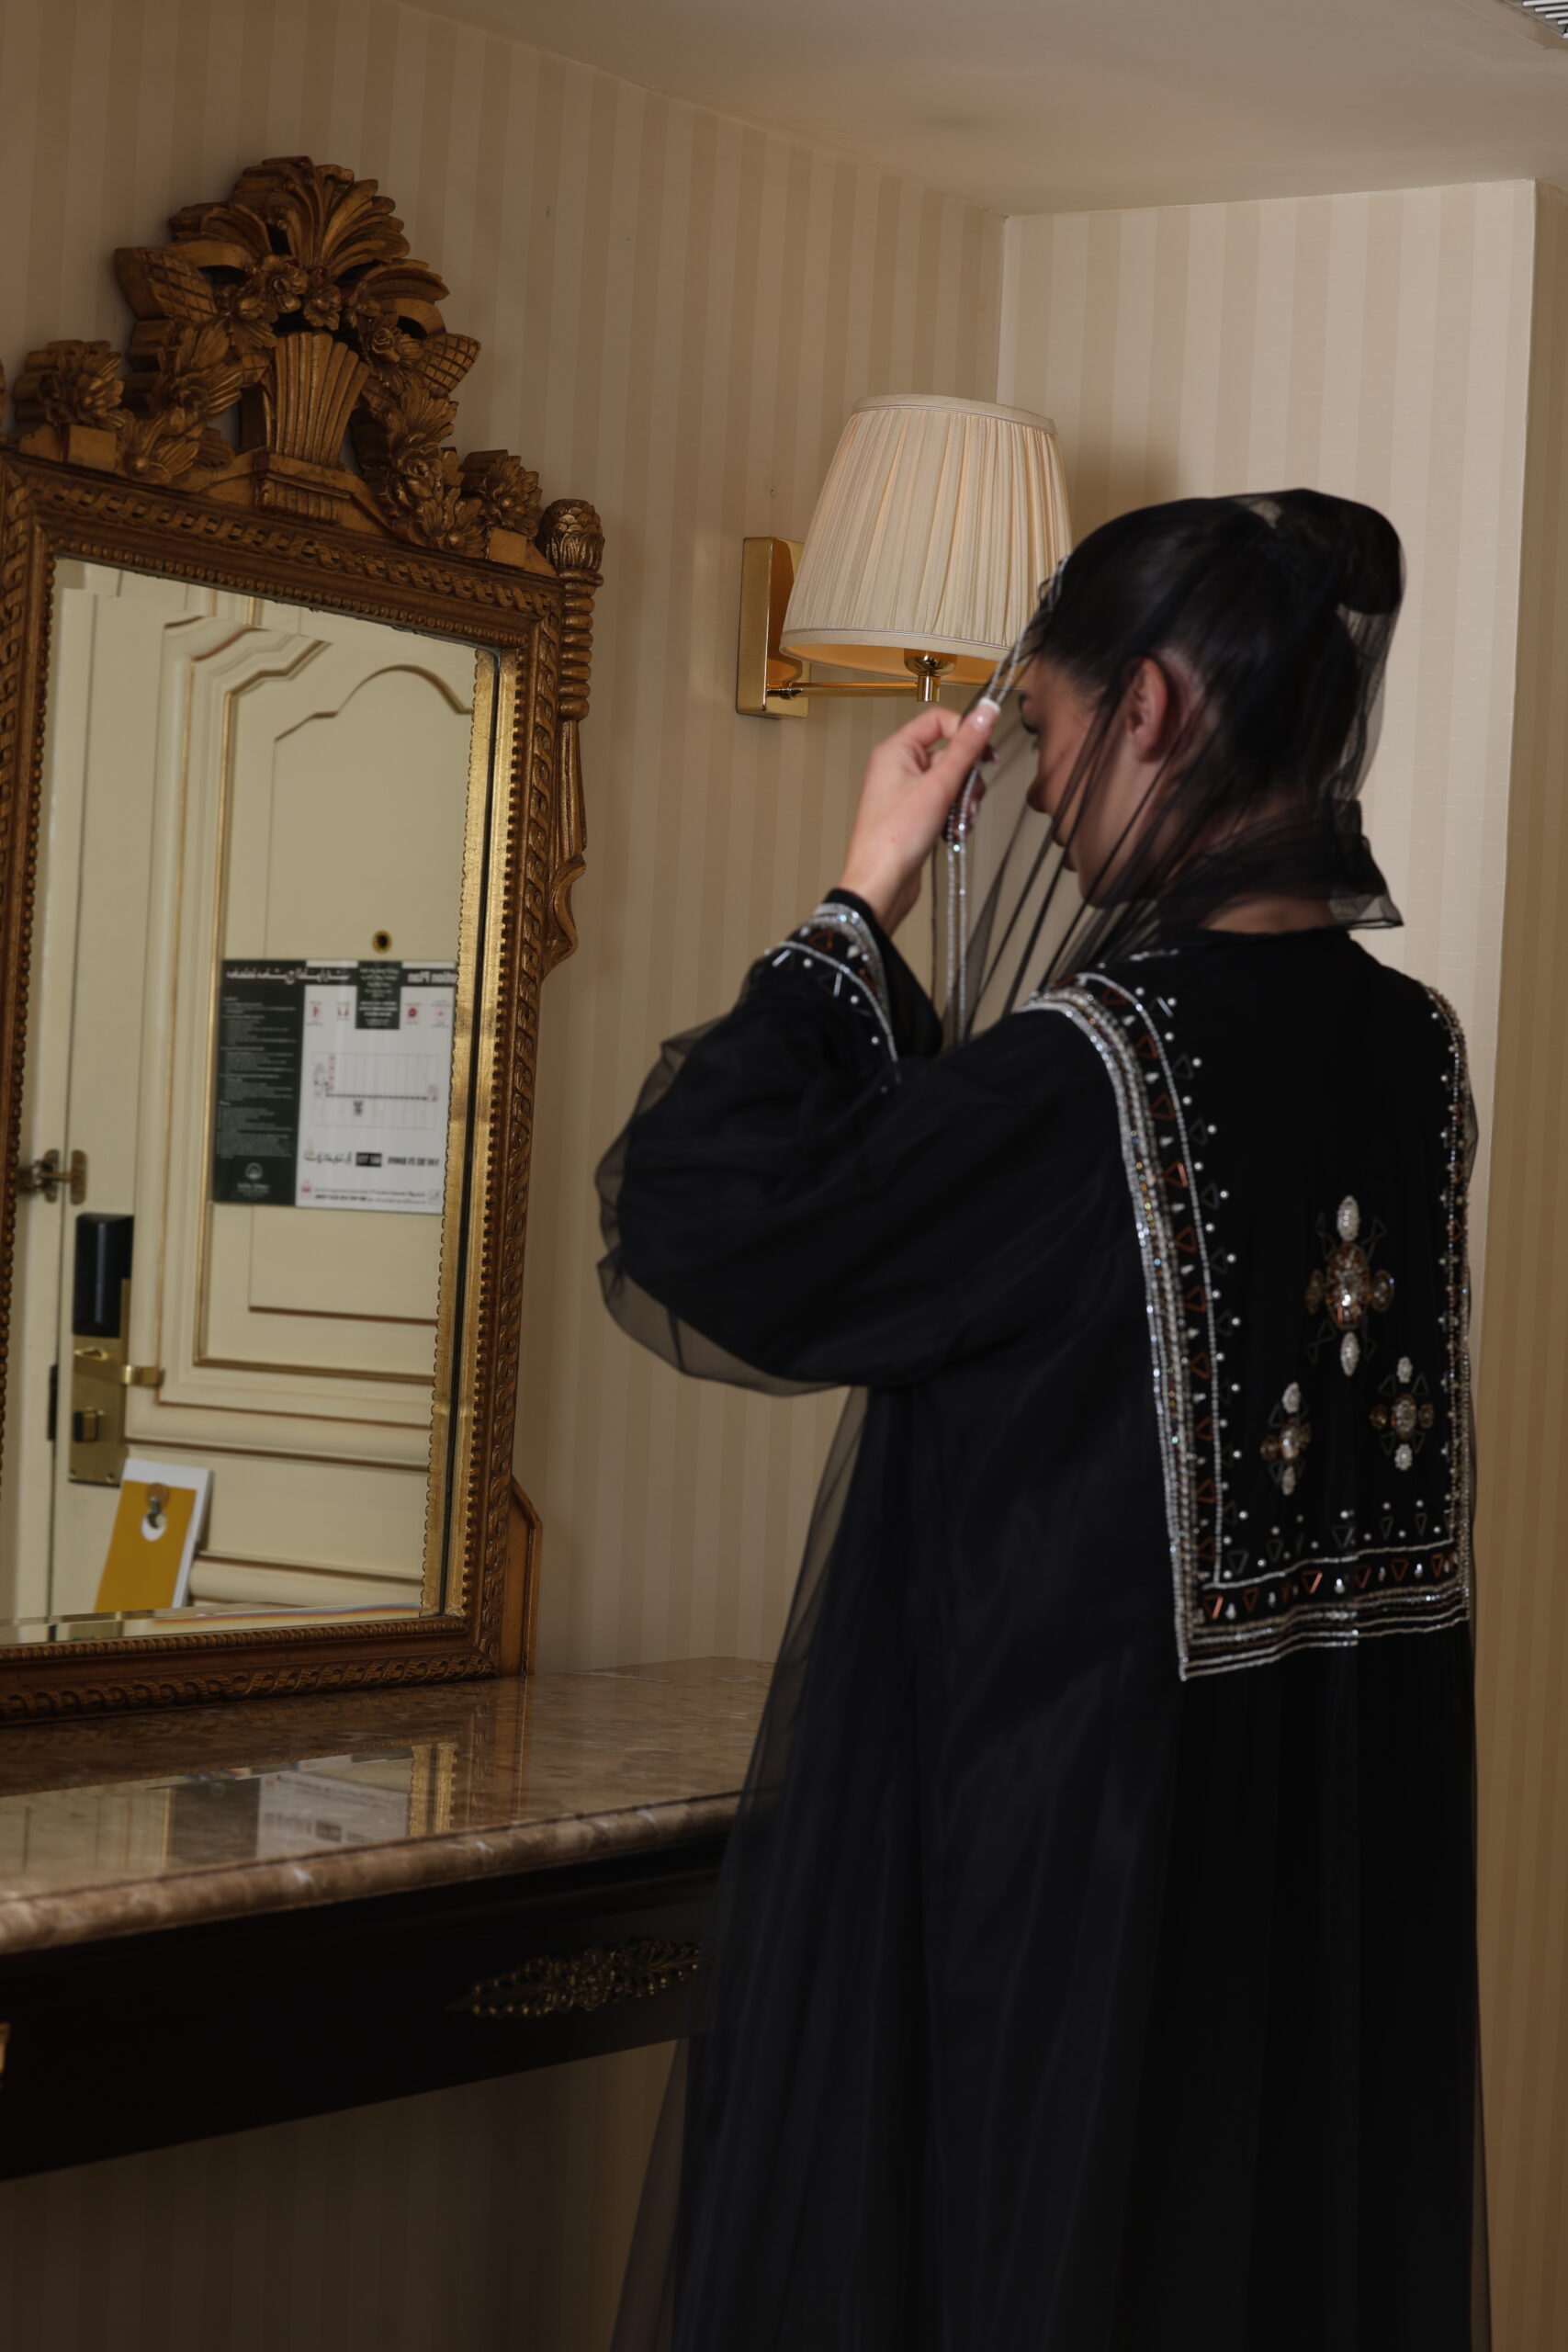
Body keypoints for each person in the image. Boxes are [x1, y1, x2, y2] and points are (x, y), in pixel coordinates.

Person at [599, 491, 1488, 2351]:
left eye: (1060, 732)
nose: (1049, 802)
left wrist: (861, 889)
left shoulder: (1097, 1071)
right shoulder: (1414, 1054)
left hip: (1075, 1906)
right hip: (1322, 1883)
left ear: (1149, 706)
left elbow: (699, 1216)